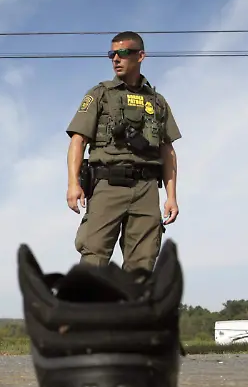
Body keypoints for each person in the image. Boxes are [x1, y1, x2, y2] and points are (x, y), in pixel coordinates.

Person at [65, 31, 182, 278]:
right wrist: (73, 183)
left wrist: (171, 196)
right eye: (112, 54)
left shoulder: (157, 101)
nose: (116, 58)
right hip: (108, 184)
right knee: (94, 256)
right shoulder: (100, 94)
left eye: (123, 53)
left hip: (147, 188)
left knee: (143, 263)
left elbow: (167, 150)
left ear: (141, 56)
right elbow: (78, 140)